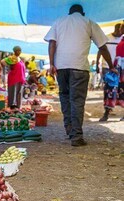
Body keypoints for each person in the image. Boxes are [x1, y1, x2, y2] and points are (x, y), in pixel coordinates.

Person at [44, 4, 117, 146]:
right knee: (77, 101)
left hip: (61, 67)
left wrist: (52, 64)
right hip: (79, 67)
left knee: (65, 98)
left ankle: (69, 130)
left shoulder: (59, 21)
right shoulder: (88, 22)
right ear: (82, 13)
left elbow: (52, 43)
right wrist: (111, 65)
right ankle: (76, 137)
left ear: (69, 13)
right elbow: (102, 46)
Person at [98, 23, 123, 121]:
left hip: (120, 69)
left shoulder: (122, 39)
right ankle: (107, 112)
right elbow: (100, 51)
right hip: (108, 68)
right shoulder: (107, 38)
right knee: (109, 90)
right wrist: (97, 65)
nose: (119, 31)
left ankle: (107, 113)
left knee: (120, 90)